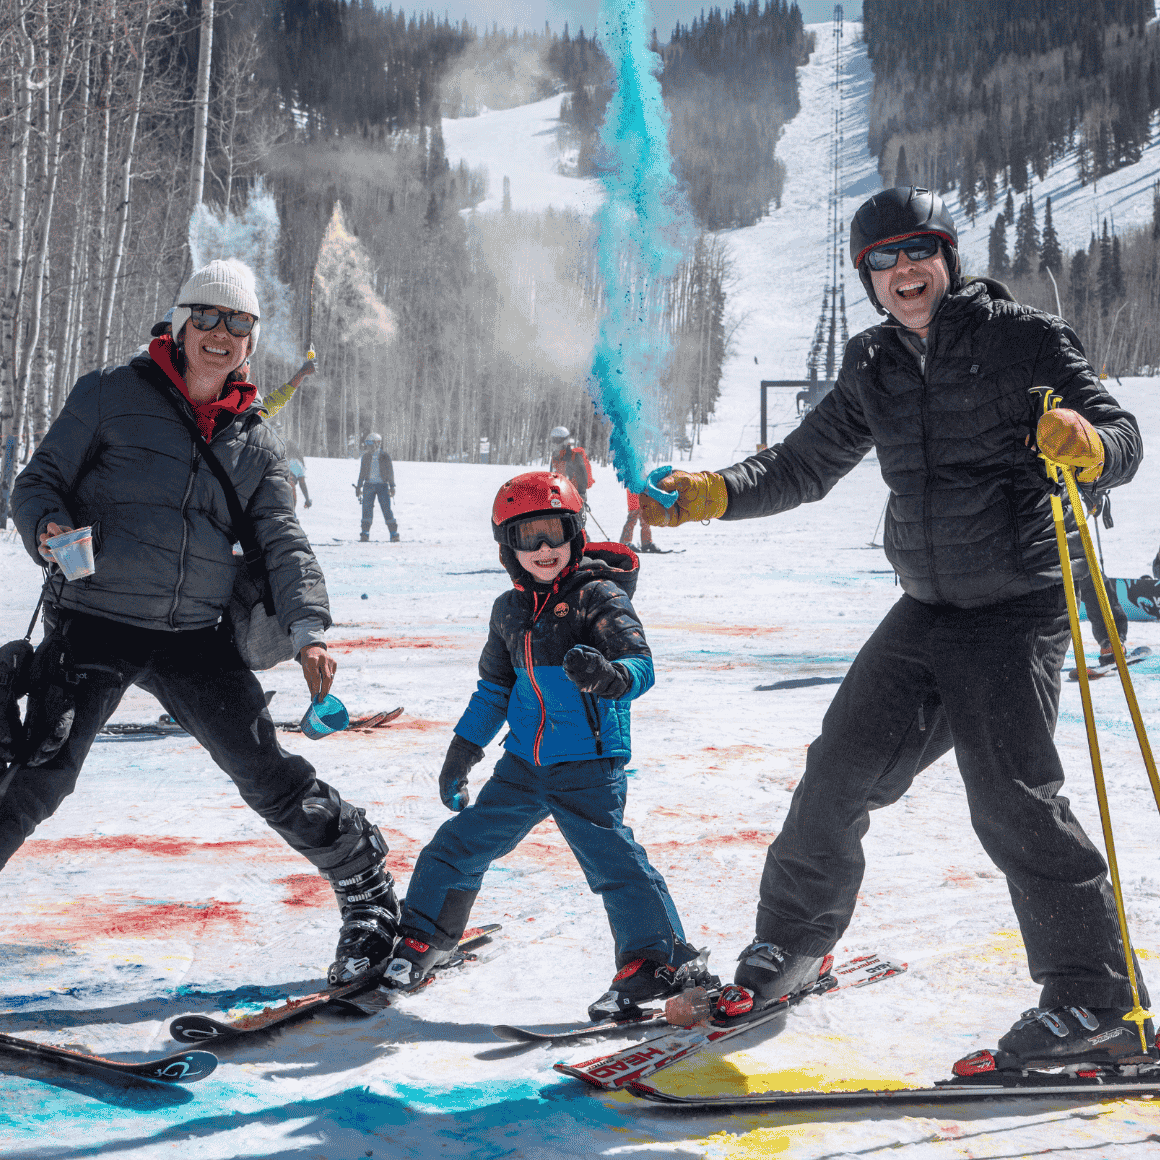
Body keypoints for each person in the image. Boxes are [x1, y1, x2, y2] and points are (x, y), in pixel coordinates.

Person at [642, 187, 1152, 1072]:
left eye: (918, 251)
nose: (903, 271)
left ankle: (1096, 999)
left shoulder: (1021, 338)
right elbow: (803, 464)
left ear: (946, 259)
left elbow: (1120, 432)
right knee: (837, 771)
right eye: (883, 260)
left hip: (1016, 603)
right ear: (867, 279)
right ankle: (794, 946)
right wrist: (713, 493)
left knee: (1013, 800)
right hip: (927, 604)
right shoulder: (873, 362)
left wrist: (1087, 441)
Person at [9, 258, 401, 989]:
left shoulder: (255, 442)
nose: (222, 334)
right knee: (39, 775)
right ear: (181, 325)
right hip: (95, 620)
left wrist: (309, 628)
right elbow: (37, 481)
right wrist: (49, 528)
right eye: (210, 319)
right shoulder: (107, 396)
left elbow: (284, 541)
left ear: (250, 343)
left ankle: (368, 888)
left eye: (240, 324)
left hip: (195, 636)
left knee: (265, 772)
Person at [382, 471, 714, 1018]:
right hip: (523, 765)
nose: (543, 549)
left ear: (575, 534)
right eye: (527, 536)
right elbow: (494, 689)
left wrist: (611, 676)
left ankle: (655, 964)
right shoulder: (508, 611)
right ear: (507, 547)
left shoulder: (598, 597)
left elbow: (641, 665)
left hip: (587, 763)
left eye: (554, 534)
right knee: (457, 845)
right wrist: (464, 749)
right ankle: (424, 938)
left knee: (613, 862)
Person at [356, 433, 398, 542]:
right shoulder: (365, 457)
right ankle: (365, 533)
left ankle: (394, 534)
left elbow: (390, 472)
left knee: (386, 510)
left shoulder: (385, 456)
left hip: (383, 486)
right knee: (366, 509)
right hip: (368, 485)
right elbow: (362, 473)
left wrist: (392, 486)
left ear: (377, 443)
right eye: (367, 443)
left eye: (370, 443)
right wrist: (359, 487)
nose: (368, 446)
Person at [549, 426, 595, 502]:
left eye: (557, 440)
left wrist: (581, 495)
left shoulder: (575, 456)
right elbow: (552, 477)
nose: (554, 443)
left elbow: (582, 478)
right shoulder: (554, 456)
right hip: (559, 497)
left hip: (574, 498)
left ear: (565, 441)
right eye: (553, 440)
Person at [620, 487, 660, 553]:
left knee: (645, 519)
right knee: (632, 518)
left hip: (643, 493)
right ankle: (625, 543)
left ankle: (646, 543)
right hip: (634, 491)